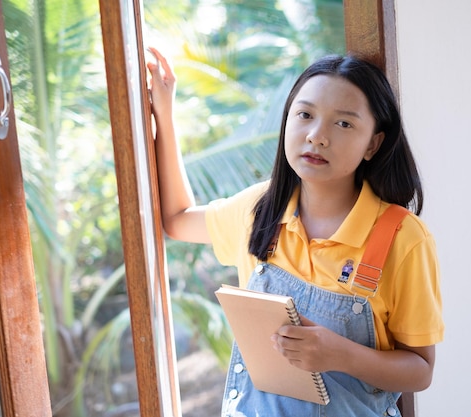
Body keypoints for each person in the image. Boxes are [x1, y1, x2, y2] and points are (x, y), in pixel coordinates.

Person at [147, 47, 444, 417]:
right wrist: (163, 114)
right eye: (305, 115)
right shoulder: (260, 209)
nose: (317, 136)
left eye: (344, 123)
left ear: (373, 144)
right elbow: (176, 218)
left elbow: (420, 370)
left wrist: (339, 354)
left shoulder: (403, 237)